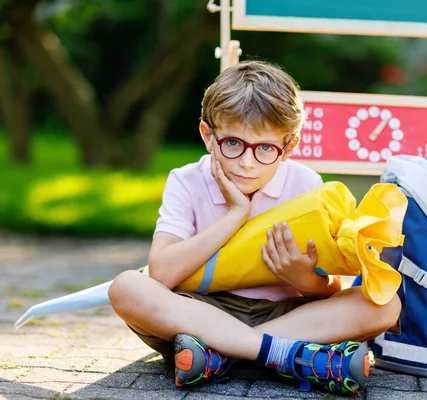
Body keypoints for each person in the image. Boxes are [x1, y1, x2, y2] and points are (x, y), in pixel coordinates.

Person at [108, 60, 401, 395]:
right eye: (233, 143)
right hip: (200, 310)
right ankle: (285, 356)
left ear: (288, 147)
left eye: (265, 148)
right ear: (208, 135)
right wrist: (236, 213)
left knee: (385, 305)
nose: (247, 163)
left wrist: (303, 278)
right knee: (126, 287)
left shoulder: (305, 183)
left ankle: (220, 356)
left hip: (287, 315)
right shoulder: (187, 181)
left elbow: (330, 290)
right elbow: (161, 274)